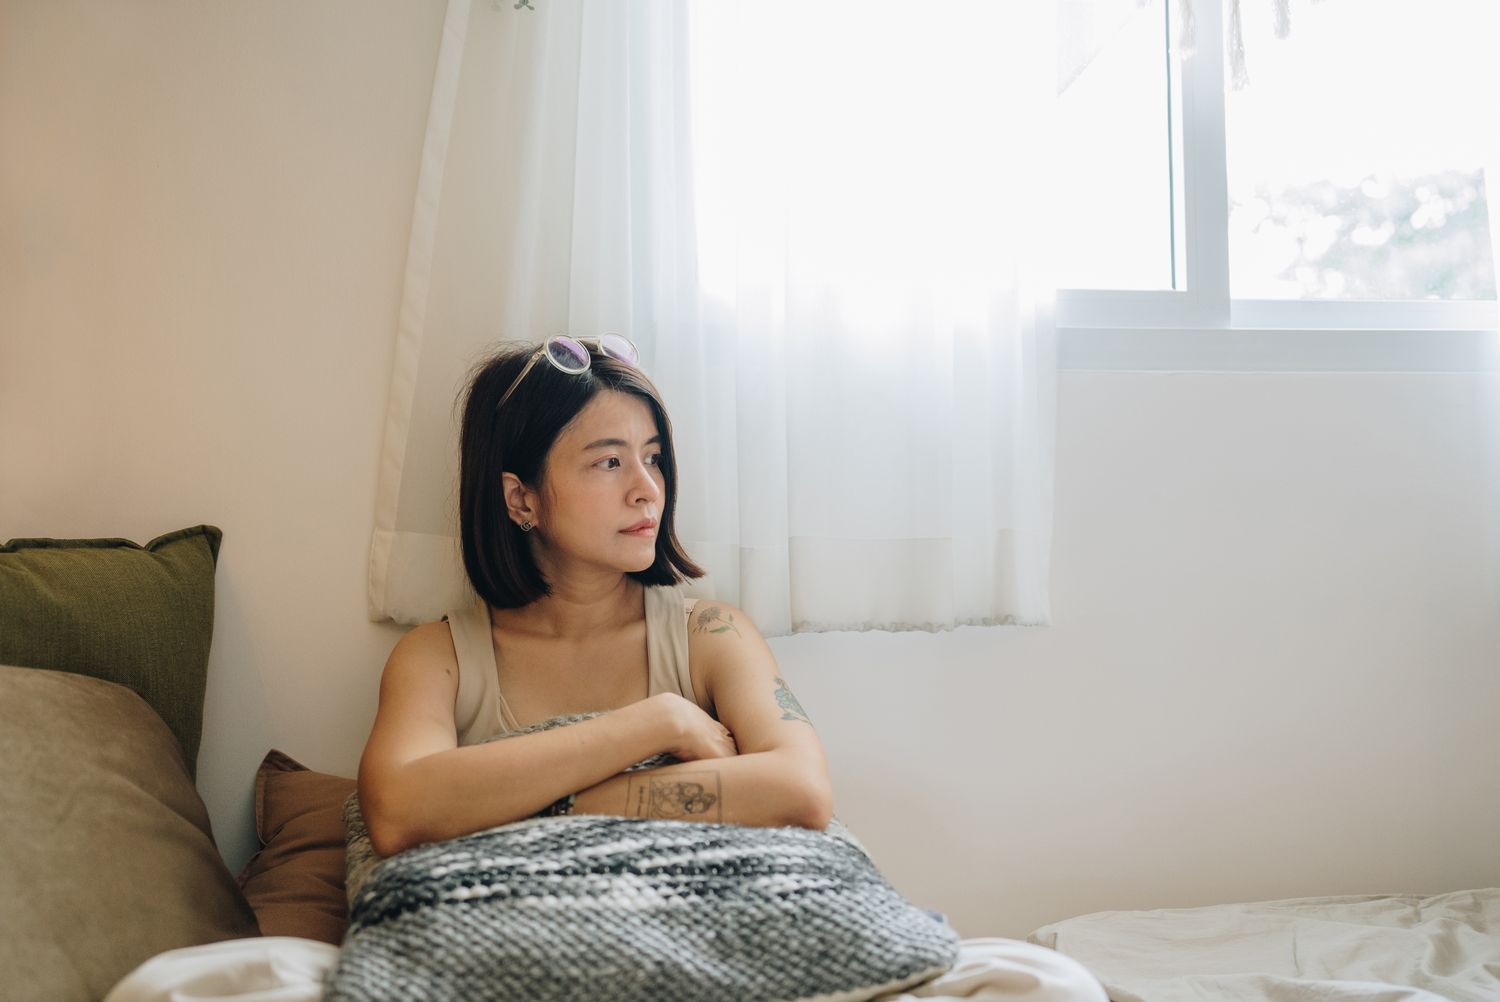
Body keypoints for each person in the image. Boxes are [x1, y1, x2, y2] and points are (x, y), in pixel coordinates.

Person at [357, 334, 833, 857]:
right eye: (609, 463)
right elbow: (397, 813)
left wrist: (555, 803)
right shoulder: (438, 657)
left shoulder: (710, 635)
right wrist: (657, 723)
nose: (647, 488)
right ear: (521, 498)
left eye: (652, 458)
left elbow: (801, 789)